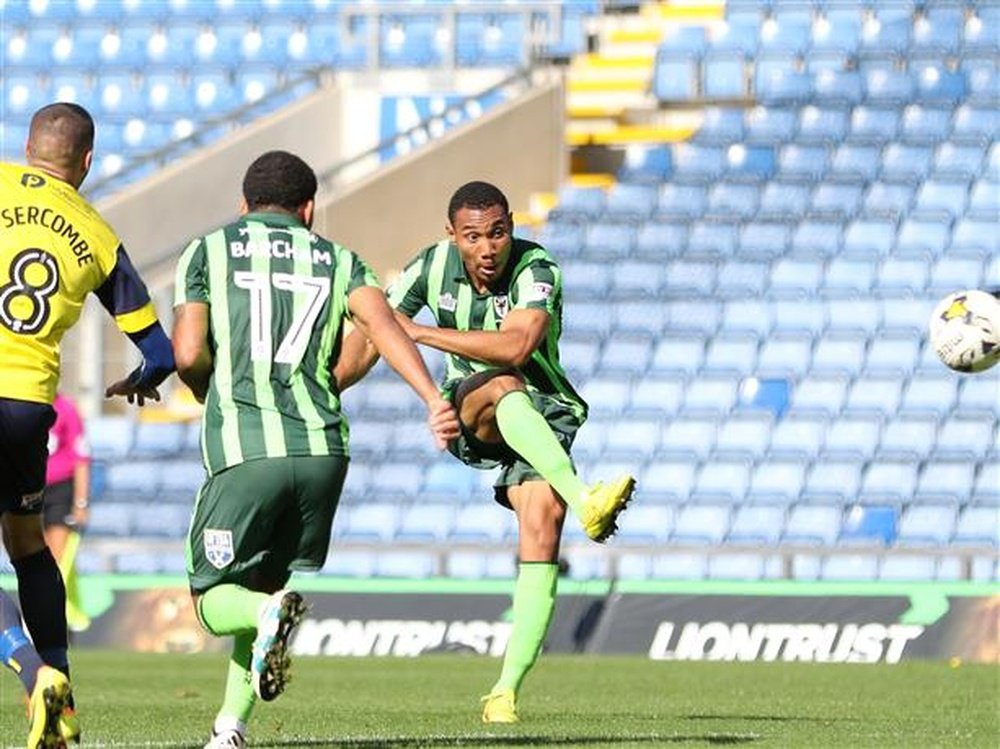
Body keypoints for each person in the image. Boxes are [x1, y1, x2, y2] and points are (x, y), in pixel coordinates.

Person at [171, 150, 459, 749]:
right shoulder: (340, 260)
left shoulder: (208, 251)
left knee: (211, 598)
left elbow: (188, 353)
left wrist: (207, 388)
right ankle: (230, 728)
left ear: (244, 205)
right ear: (308, 209)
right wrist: (433, 397)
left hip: (247, 450)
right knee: (264, 585)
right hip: (324, 451)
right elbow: (384, 327)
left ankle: (264, 621)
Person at [334, 180, 636, 723]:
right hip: (476, 407)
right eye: (473, 236)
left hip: (546, 413)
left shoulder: (537, 269)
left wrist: (420, 333)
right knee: (500, 385)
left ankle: (504, 693)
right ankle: (586, 495)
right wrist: (327, 385)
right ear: (452, 235)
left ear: (511, 227)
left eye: (497, 233)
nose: (487, 247)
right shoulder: (430, 267)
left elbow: (518, 345)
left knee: (543, 527)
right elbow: (374, 335)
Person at [0, 102, 175, 747]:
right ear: (89, 161)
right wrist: (140, 380)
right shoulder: (97, 235)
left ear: (27, 146)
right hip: (29, 409)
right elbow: (161, 352)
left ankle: (32, 671)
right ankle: (63, 700)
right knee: (27, 548)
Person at [44, 393, 92, 634]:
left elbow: (81, 458)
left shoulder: (66, 409)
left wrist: (81, 503)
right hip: (29, 487)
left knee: (56, 561)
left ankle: (54, 622)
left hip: (60, 490)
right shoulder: (21, 405)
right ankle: (54, 616)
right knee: (34, 560)